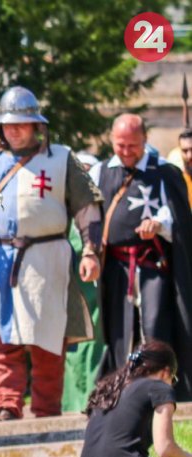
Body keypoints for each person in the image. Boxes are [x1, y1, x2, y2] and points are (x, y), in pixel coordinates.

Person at [0, 86, 103, 420]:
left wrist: (90, 250)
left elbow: (87, 206)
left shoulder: (61, 158)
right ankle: (7, 404)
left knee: (48, 339)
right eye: (7, 124)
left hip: (46, 260)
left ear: (37, 125)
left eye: (20, 124)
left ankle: (46, 410)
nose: (13, 130)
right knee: (0, 339)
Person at [89, 114, 192, 401]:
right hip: (116, 269)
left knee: (155, 327)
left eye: (132, 145)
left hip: (152, 267)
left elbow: (178, 218)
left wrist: (159, 225)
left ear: (145, 140)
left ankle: (159, 391)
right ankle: (123, 394)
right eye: (120, 145)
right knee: (119, 332)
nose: (126, 151)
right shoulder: (100, 172)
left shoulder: (165, 172)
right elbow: (90, 217)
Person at [62, 152, 106, 414]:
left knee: (93, 345)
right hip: (67, 287)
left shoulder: (96, 210)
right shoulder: (61, 208)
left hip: (93, 289)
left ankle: (92, 397)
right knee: (71, 346)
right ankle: (71, 403)